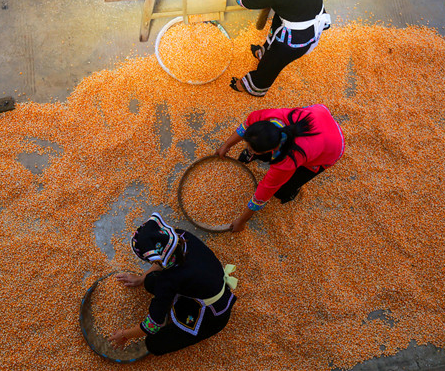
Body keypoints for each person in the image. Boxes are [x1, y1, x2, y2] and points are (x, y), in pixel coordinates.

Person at [108, 212, 238, 355]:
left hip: (214, 315)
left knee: (153, 344)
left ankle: (187, 323)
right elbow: (164, 262)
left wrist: (124, 334)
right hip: (204, 283)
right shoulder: (181, 237)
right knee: (150, 280)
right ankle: (171, 310)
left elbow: (152, 326)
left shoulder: (168, 281)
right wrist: (142, 278)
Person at [216, 105, 344, 232]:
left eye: (251, 148)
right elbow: (245, 126)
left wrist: (242, 220)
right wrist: (226, 145)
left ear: (271, 149)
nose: (248, 148)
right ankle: (258, 153)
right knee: (260, 147)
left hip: (332, 146)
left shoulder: (289, 159)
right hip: (317, 115)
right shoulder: (263, 118)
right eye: (248, 145)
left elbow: (265, 190)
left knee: (281, 192)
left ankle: (293, 188)